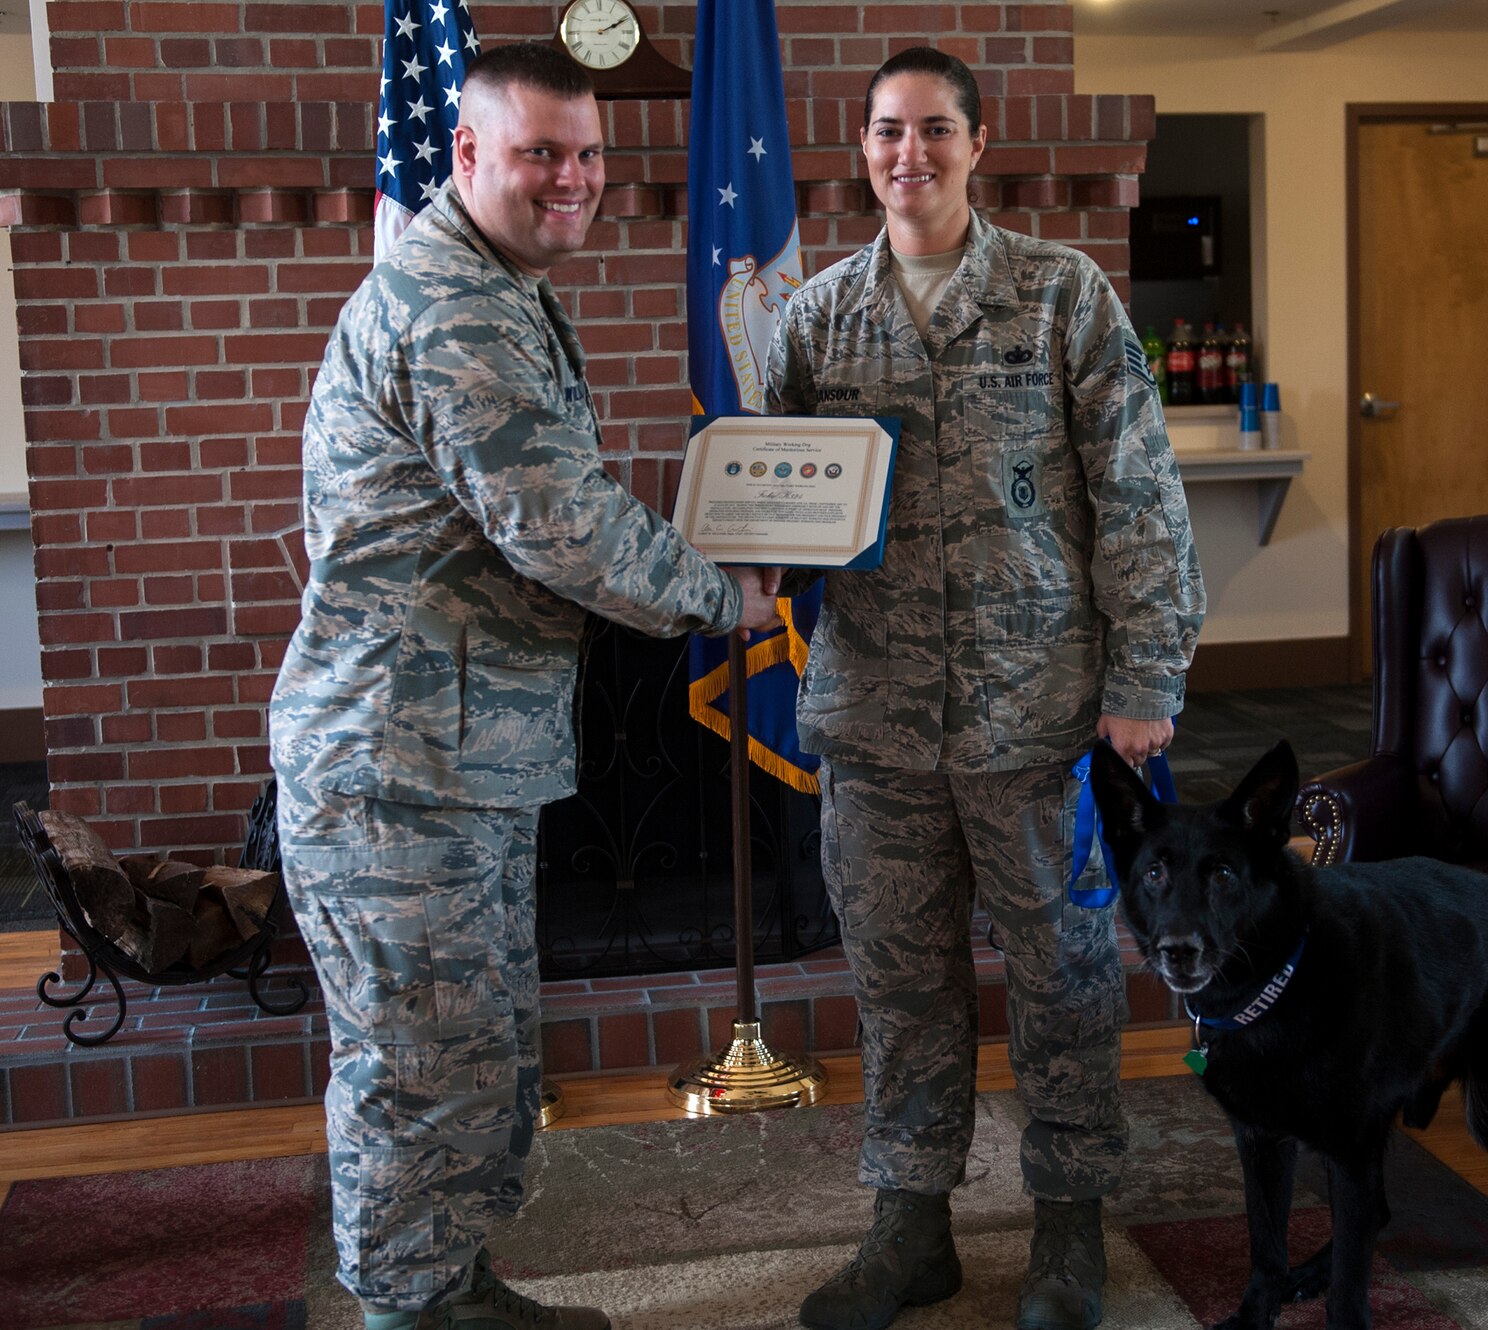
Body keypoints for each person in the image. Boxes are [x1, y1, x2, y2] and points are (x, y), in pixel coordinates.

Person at [267, 44, 779, 1330]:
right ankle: (407, 1311)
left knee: (468, 1060)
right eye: (541, 152)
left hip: (450, 758)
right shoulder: (458, 307)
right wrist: (729, 595)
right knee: (417, 1070)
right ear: (468, 155)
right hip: (398, 771)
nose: (574, 179)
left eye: (590, 153)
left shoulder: (492, 283)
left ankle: (453, 1285)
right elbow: (562, 526)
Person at [764, 46, 1205, 1330]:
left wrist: (1144, 676)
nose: (912, 155)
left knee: (1064, 972)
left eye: (936, 131)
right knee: (900, 985)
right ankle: (912, 1227)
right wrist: (729, 555)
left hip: (1040, 716)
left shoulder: (1060, 295)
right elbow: (777, 499)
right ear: (860, 150)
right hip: (875, 719)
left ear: (977, 143)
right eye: (889, 132)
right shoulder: (817, 318)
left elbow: (1138, 497)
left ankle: (1068, 1229)